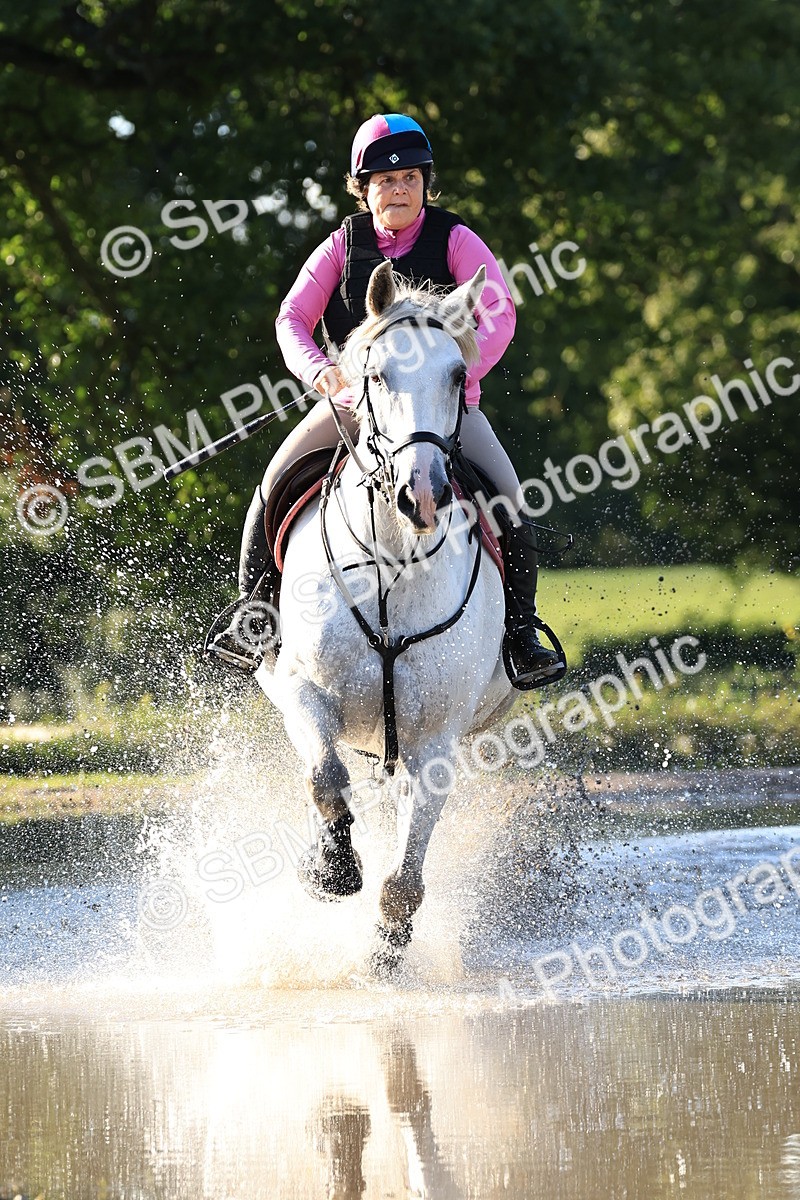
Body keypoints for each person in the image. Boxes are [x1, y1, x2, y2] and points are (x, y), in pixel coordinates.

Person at [208, 113, 562, 687]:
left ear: (424, 184)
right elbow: (292, 319)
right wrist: (322, 374)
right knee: (272, 485)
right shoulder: (339, 248)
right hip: (354, 402)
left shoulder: (454, 239)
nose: (397, 189)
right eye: (383, 180)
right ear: (363, 188)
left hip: (443, 408)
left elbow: (499, 313)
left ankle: (521, 632)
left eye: (409, 180)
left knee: (509, 499)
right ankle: (256, 619)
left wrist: (459, 378)